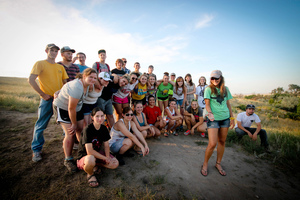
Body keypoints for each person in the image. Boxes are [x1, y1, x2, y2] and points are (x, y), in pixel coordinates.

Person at [29, 44, 69, 162]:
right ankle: (36, 150)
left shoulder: (60, 67)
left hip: (60, 99)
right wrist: (42, 94)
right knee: (41, 124)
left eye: (56, 51)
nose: (54, 52)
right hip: (47, 99)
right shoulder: (40, 64)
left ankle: (68, 146)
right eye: (52, 50)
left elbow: (65, 82)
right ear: (46, 51)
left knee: (65, 123)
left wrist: (62, 94)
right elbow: (31, 79)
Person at [53, 68, 97, 173]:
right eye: (90, 77)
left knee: (81, 129)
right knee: (71, 133)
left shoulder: (88, 85)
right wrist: (73, 123)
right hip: (64, 108)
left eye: (95, 78)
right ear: (84, 76)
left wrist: (60, 90)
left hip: (77, 108)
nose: (93, 79)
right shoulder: (77, 86)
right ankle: (68, 159)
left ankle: (82, 152)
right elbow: (70, 108)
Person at [200, 70, 234, 177]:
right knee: (212, 143)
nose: (214, 80)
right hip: (213, 118)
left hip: (225, 118)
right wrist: (210, 113)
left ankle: (218, 163)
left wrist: (232, 117)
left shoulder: (226, 89)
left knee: (222, 141)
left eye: (216, 78)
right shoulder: (208, 89)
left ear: (221, 78)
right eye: (212, 78)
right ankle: (205, 164)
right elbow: (207, 104)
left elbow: (228, 104)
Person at [77, 107, 119, 188]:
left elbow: (106, 145)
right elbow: (90, 152)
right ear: (92, 117)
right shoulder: (88, 129)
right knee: (90, 159)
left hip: (97, 153)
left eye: (102, 116)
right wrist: (105, 158)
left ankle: (95, 165)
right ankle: (90, 173)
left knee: (115, 163)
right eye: (97, 116)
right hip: (85, 156)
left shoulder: (104, 128)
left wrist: (107, 157)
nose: (100, 118)